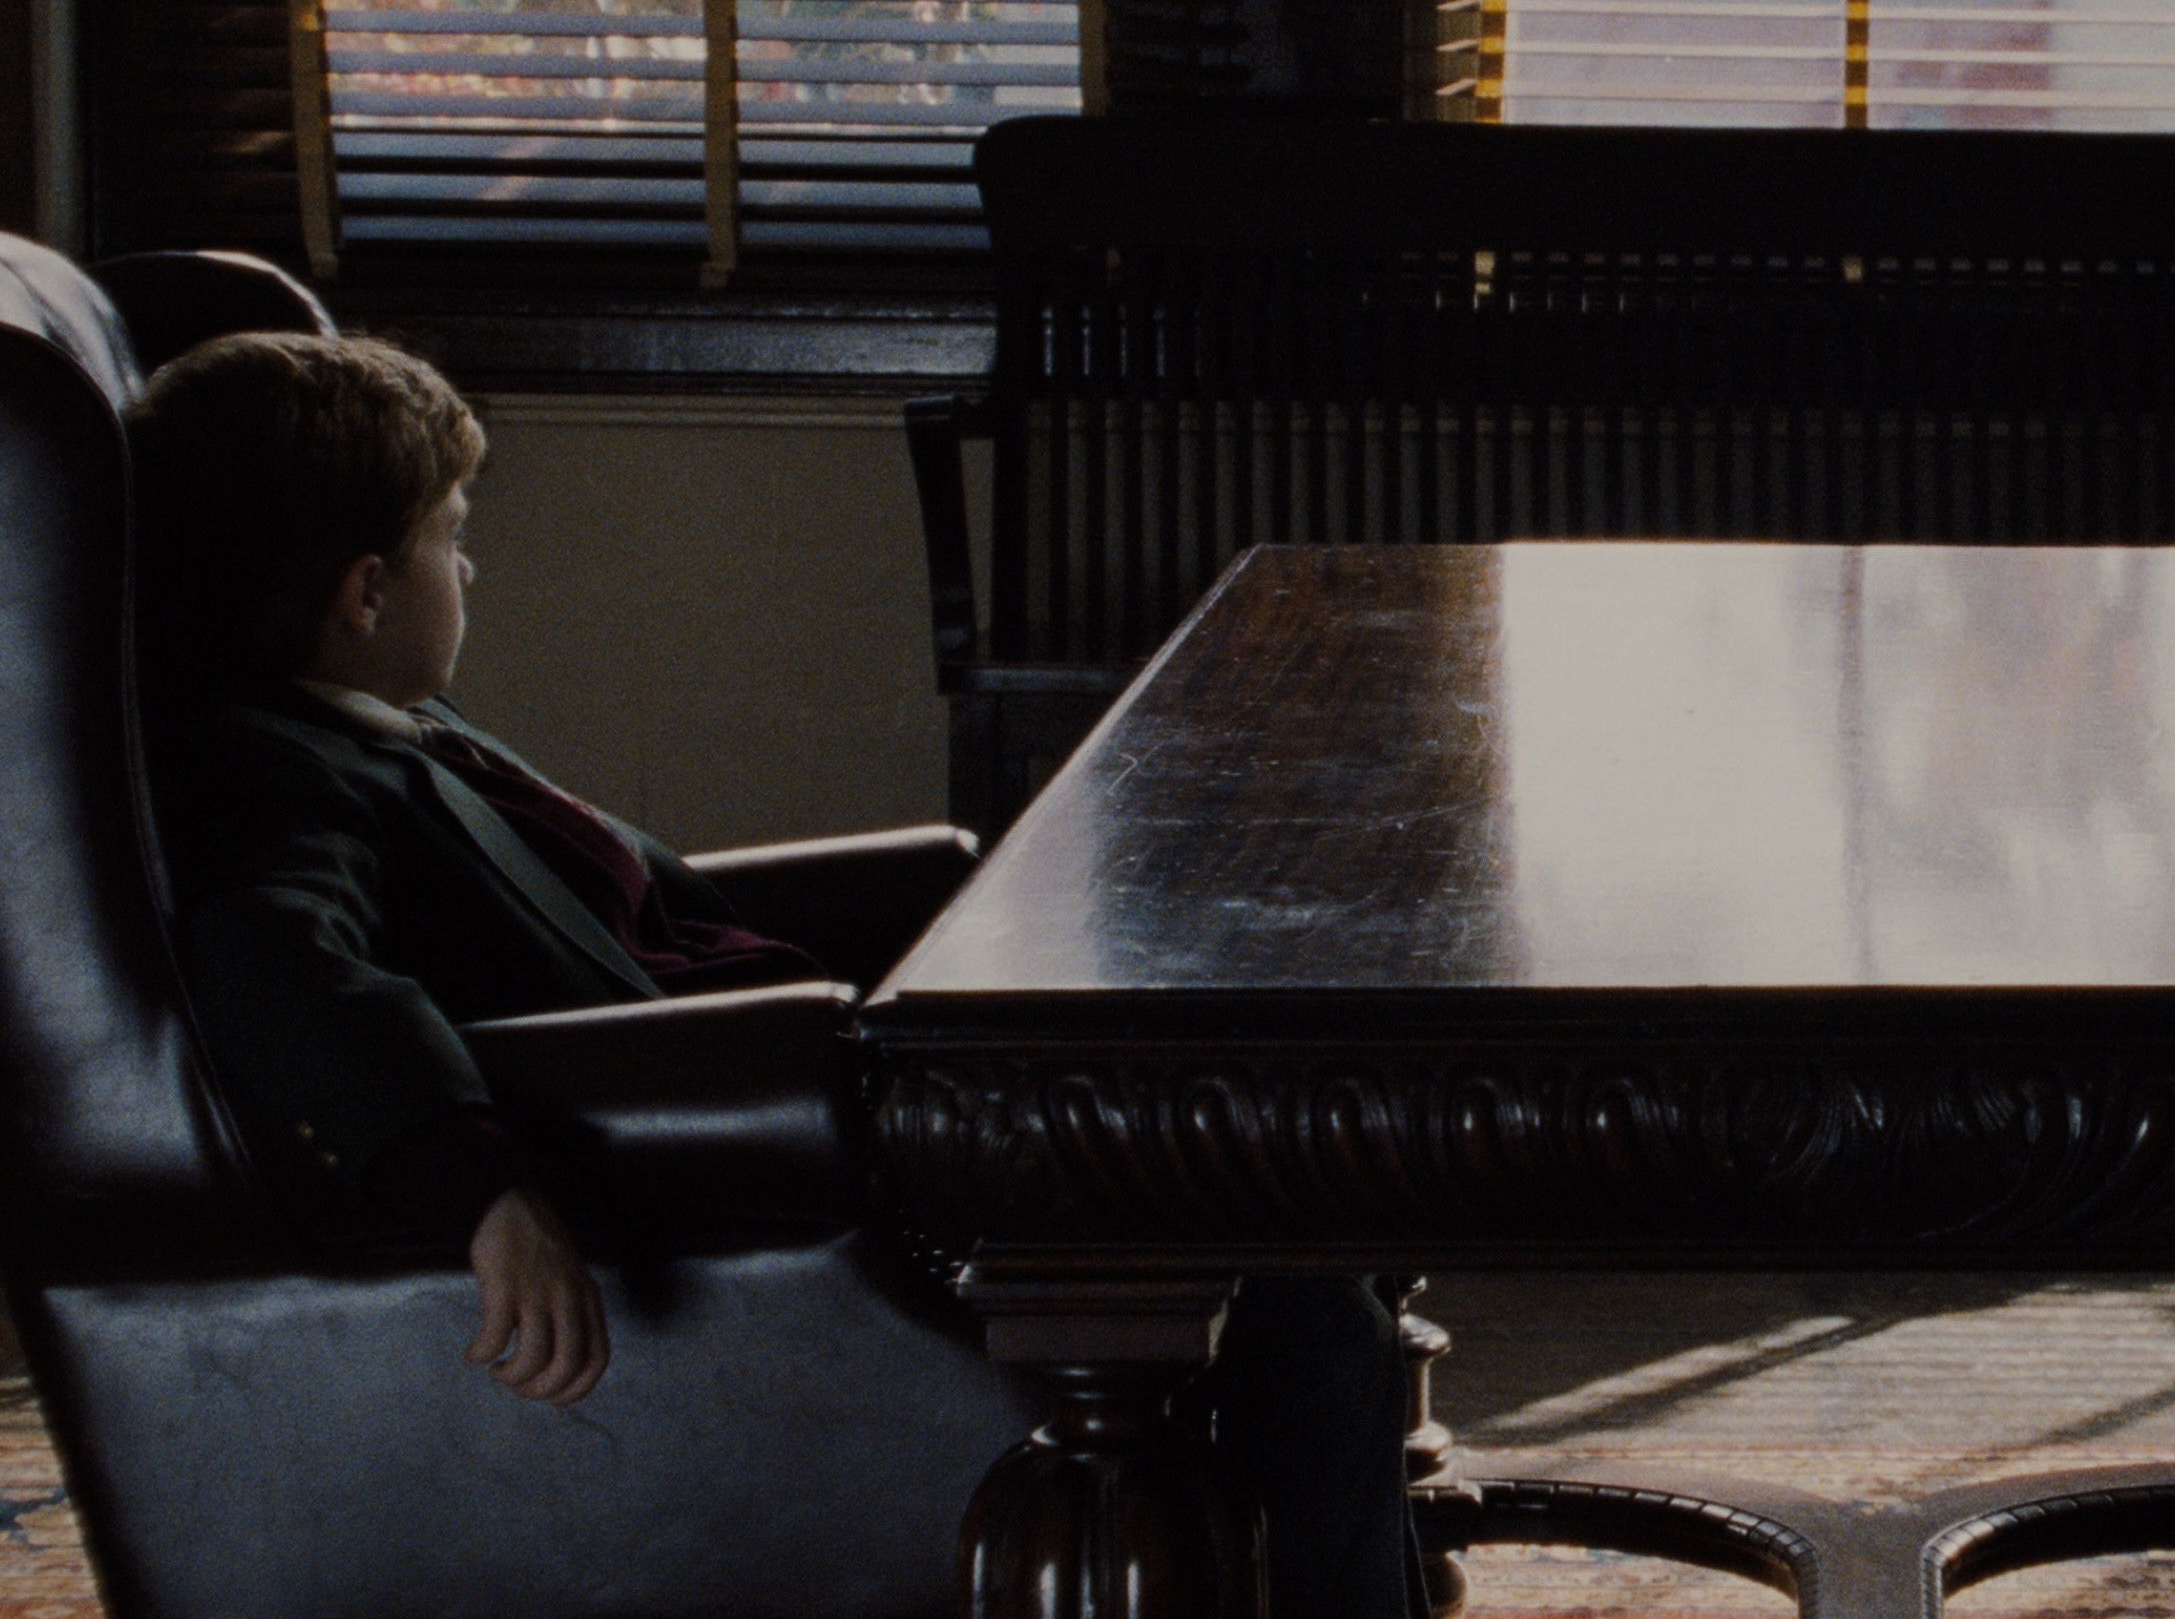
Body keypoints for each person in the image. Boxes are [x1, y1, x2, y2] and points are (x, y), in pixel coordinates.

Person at [132, 330, 1418, 1617]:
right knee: (1296, 1299)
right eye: (450, 538)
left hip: (842, 1092)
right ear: (365, 593)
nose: (467, 569)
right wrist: (480, 1185)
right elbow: (271, 964)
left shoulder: (389, 725)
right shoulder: (273, 774)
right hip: (771, 1158)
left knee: (1281, 1188)